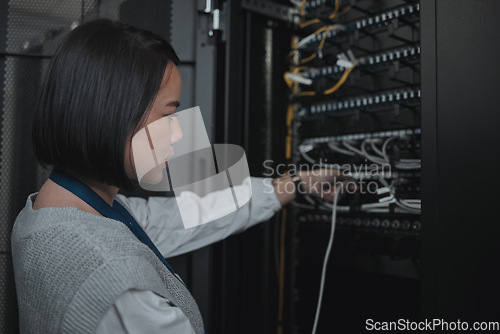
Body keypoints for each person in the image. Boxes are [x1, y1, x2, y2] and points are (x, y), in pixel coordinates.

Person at [11, 18, 344, 334]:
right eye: (169, 114)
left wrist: (297, 184)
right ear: (114, 113)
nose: (177, 134)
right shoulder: (117, 281)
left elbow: (185, 217)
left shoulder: (56, 213)